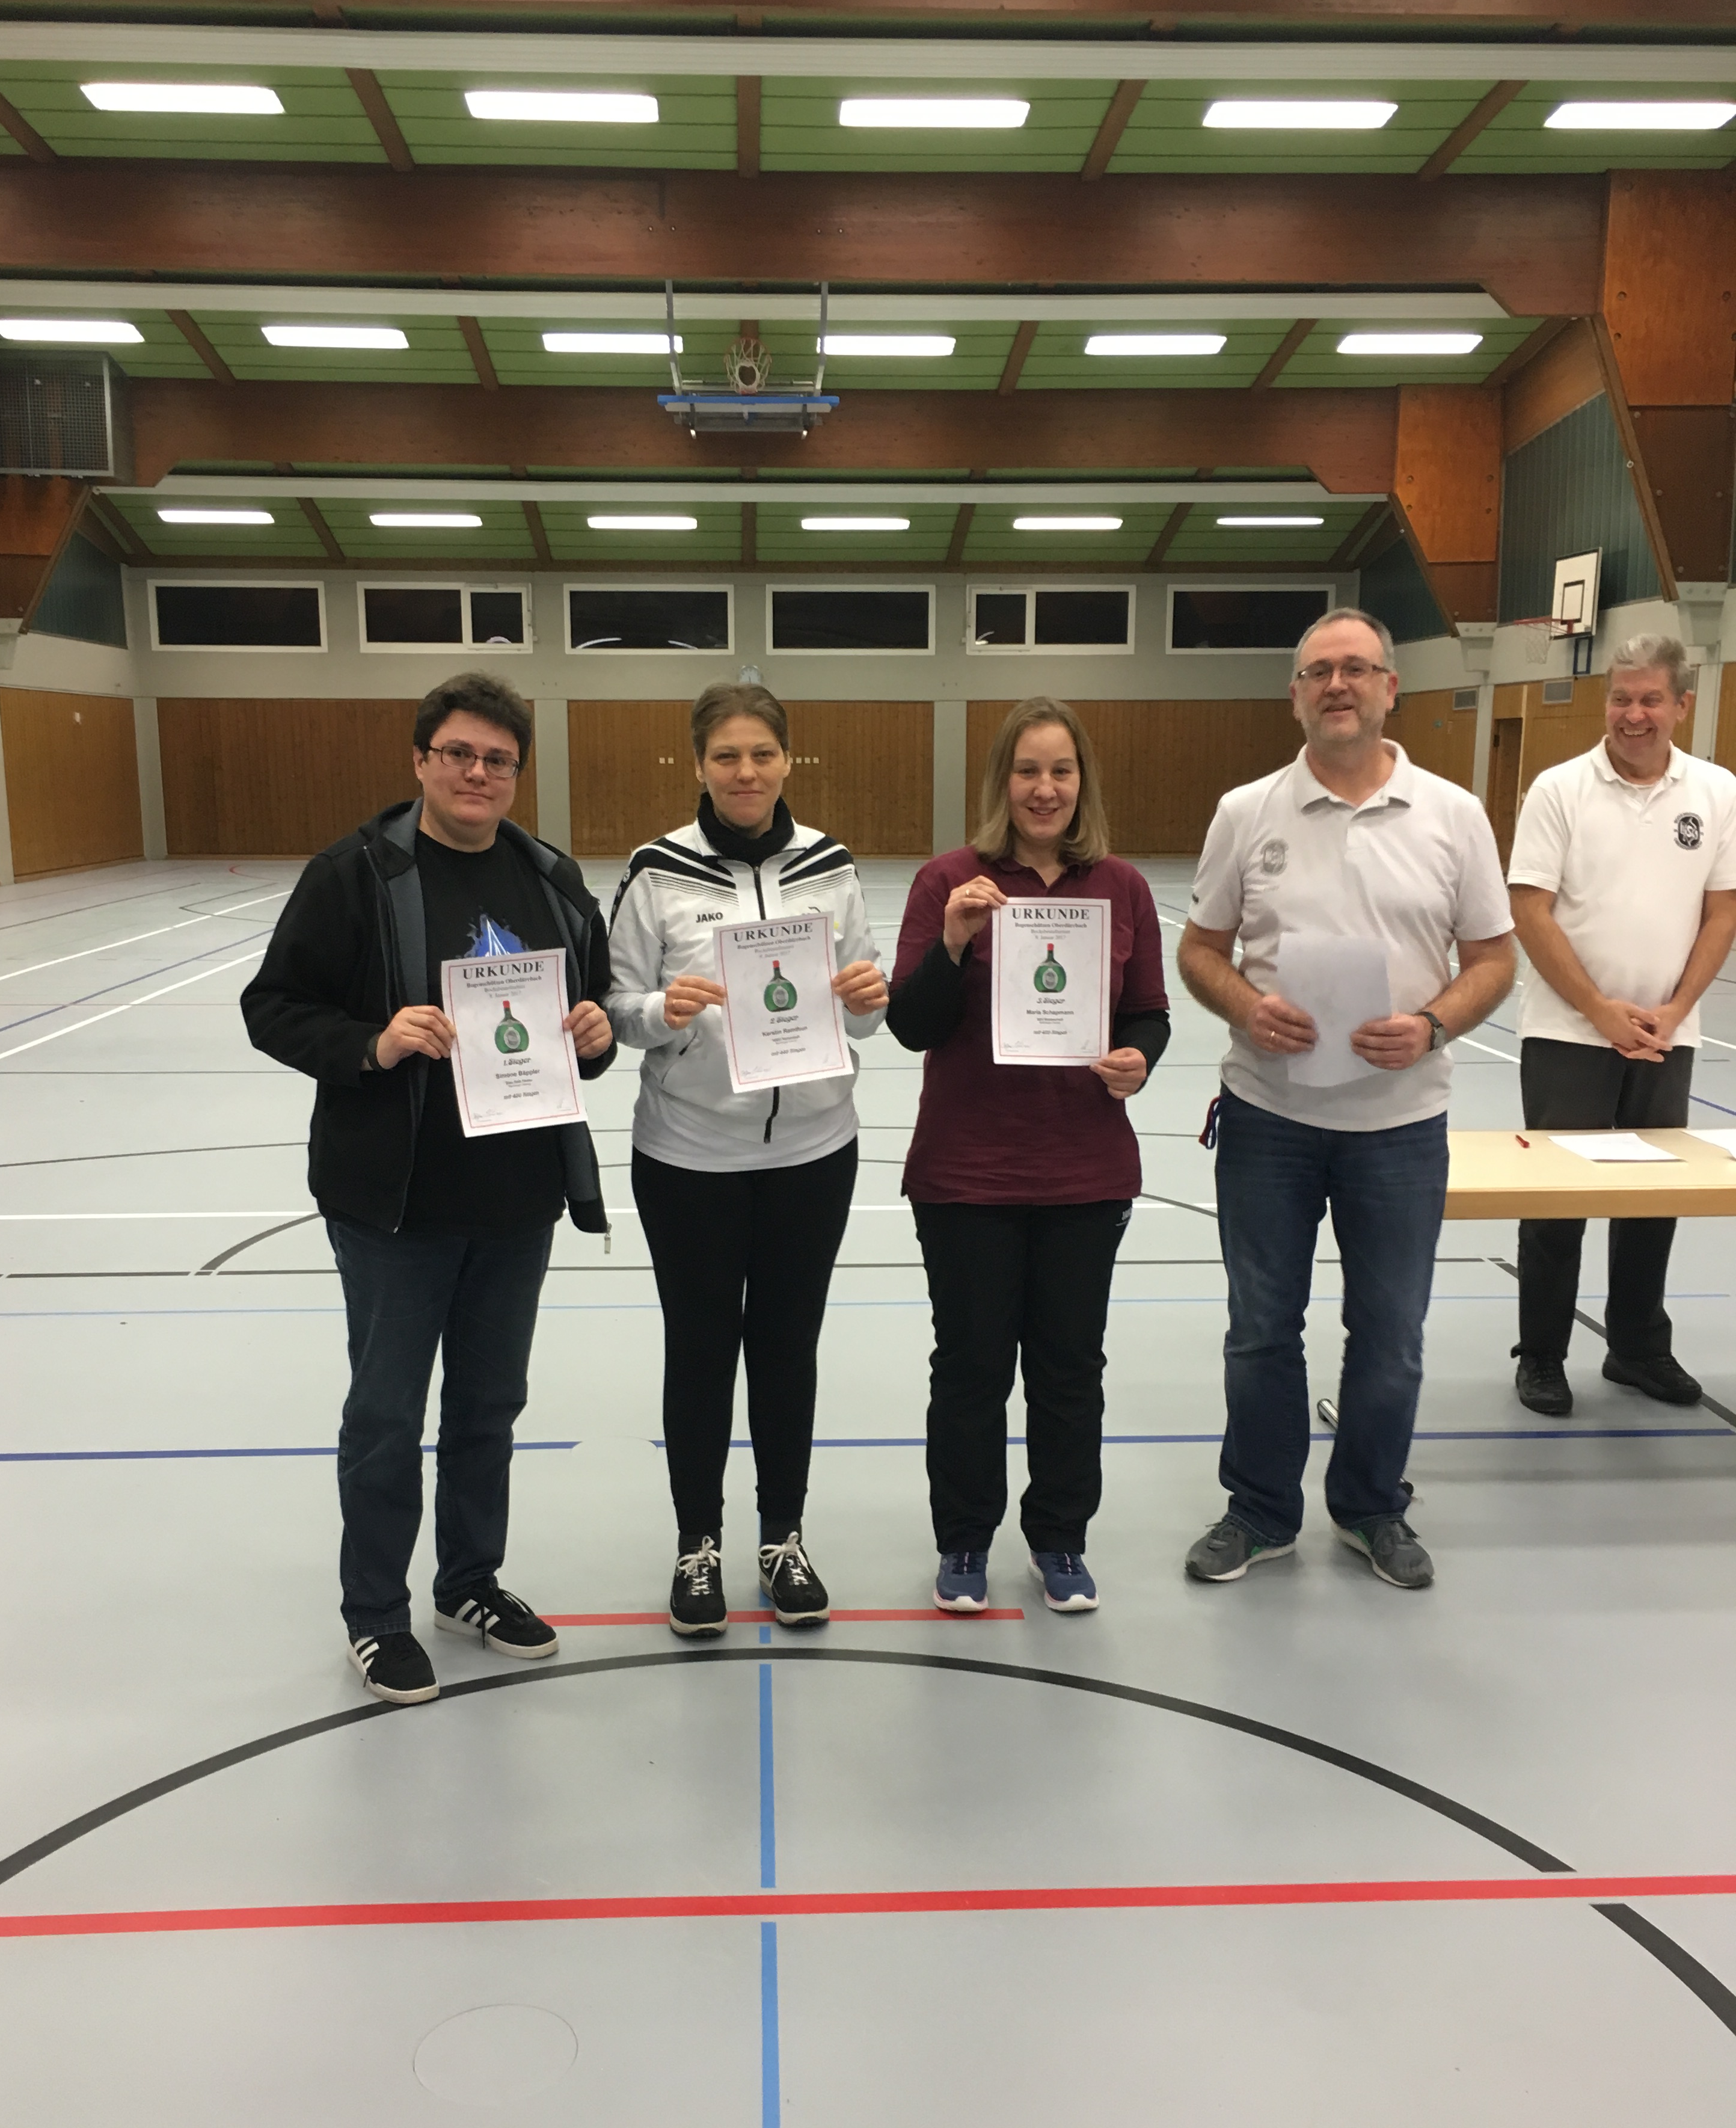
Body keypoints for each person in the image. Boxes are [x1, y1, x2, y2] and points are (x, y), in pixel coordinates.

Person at [241, 673, 615, 1703]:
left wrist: (595, 1034)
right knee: (387, 1415)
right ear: (420, 760)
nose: (477, 774)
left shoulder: (551, 877)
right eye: (458, 754)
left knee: (489, 1406)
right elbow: (272, 1007)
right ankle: (374, 1613)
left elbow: (585, 1017)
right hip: (394, 1205)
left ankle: (468, 1584)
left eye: (498, 760)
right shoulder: (354, 874)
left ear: (516, 774)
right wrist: (374, 1041)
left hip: (517, 1199)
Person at [1177, 608, 1516, 1593]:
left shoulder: (1453, 814)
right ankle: (1260, 1510)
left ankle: (1371, 1507)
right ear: (1295, 694)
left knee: (1392, 1335)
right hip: (1268, 1121)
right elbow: (1200, 950)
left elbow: (1494, 959)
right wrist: (1245, 1006)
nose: (1338, 685)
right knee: (1260, 1329)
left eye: (1357, 669)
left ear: (1389, 688)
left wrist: (1435, 1025)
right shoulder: (1247, 812)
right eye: (1319, 671)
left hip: (1400, 1128)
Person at [604, 681, 888, 1635]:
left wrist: (867, 995)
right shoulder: (656, 872)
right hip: (687, 1157)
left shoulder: (832, 867)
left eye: (762, 754)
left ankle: (782, 1537)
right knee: (699, 1354)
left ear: (787, 760)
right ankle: (698, 1545)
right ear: (698, 764)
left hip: (815, 1150)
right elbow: (616, 1008)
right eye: (726, 755)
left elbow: (867, 1013)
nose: (746, 772)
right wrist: (662, 1010)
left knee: (786, 1350)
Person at [886, 695, 1170, 1616]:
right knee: (970, 1369)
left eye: (1061, 771)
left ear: (1082, 782)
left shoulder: (1121, 887)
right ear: (1000, 782)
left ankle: (1059, 1538)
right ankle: (965, 1539)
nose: (1044, 789)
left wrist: (1139, 1060)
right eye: (1027, 771)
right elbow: (912, 1025)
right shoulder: (948, 882)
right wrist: (955, 941)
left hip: (1085, 1173)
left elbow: (1148, 1012)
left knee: (1068, 1370)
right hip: (966, 1175)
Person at [1506, 633, 1736, 1415]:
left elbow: (1722, 912)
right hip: (1567, 1034)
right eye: (1621, 698)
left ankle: (1637, 1347)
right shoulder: (1559, 790)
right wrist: (1600, 1011)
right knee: (1557, 1198)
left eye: (1650, 700)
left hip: (1666, 1036)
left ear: (1683, 705)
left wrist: (1675, 1010)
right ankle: (1542, 1353)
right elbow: (1530, 910)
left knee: (1652, 1196)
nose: (1633, 714)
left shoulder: (1717, 791)